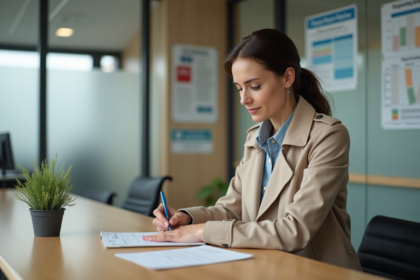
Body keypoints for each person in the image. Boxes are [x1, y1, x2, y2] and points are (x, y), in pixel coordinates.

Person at [142, 29, 362, 271]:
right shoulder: (254, 138)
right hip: (265, 265)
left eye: (254, 86)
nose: (243, 99)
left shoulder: (328, 136)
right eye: (239, 88)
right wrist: (186, 217)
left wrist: (202, 231)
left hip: (317, 270)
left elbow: (295, 230)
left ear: (287, 77)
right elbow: (231, 208)